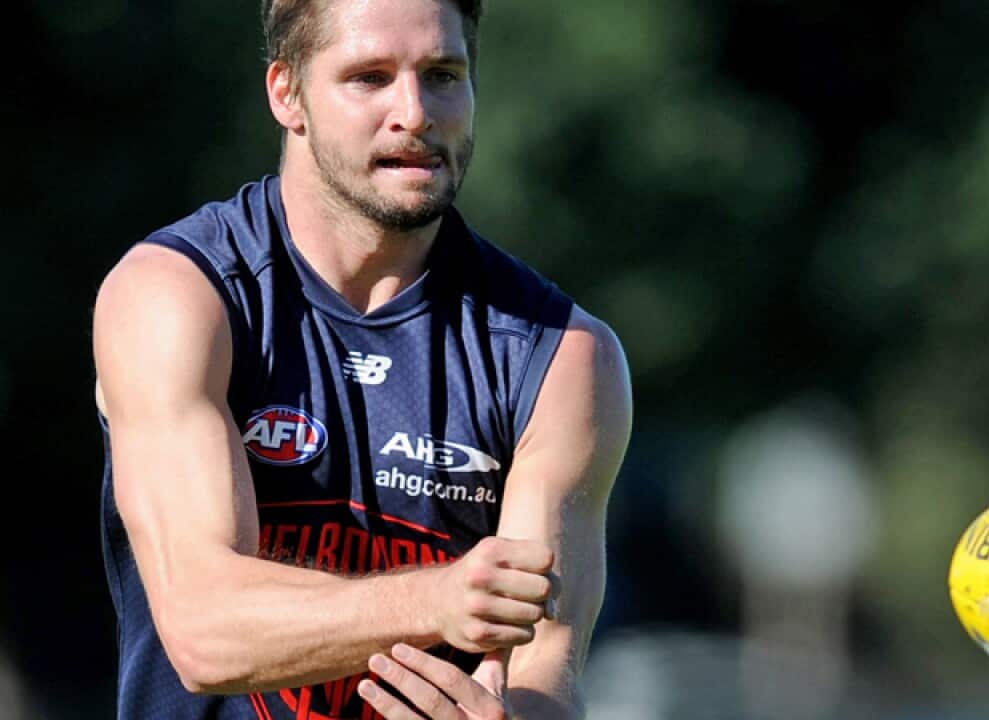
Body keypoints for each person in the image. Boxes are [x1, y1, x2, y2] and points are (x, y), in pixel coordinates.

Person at [91, 0, 633, 717]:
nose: (415, 113)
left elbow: (547, 668)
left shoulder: (561, 354)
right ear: (288, 94)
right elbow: (205, 633)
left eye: (442, 75)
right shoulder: (181, 295)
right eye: (370, 77)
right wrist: (438, 599)